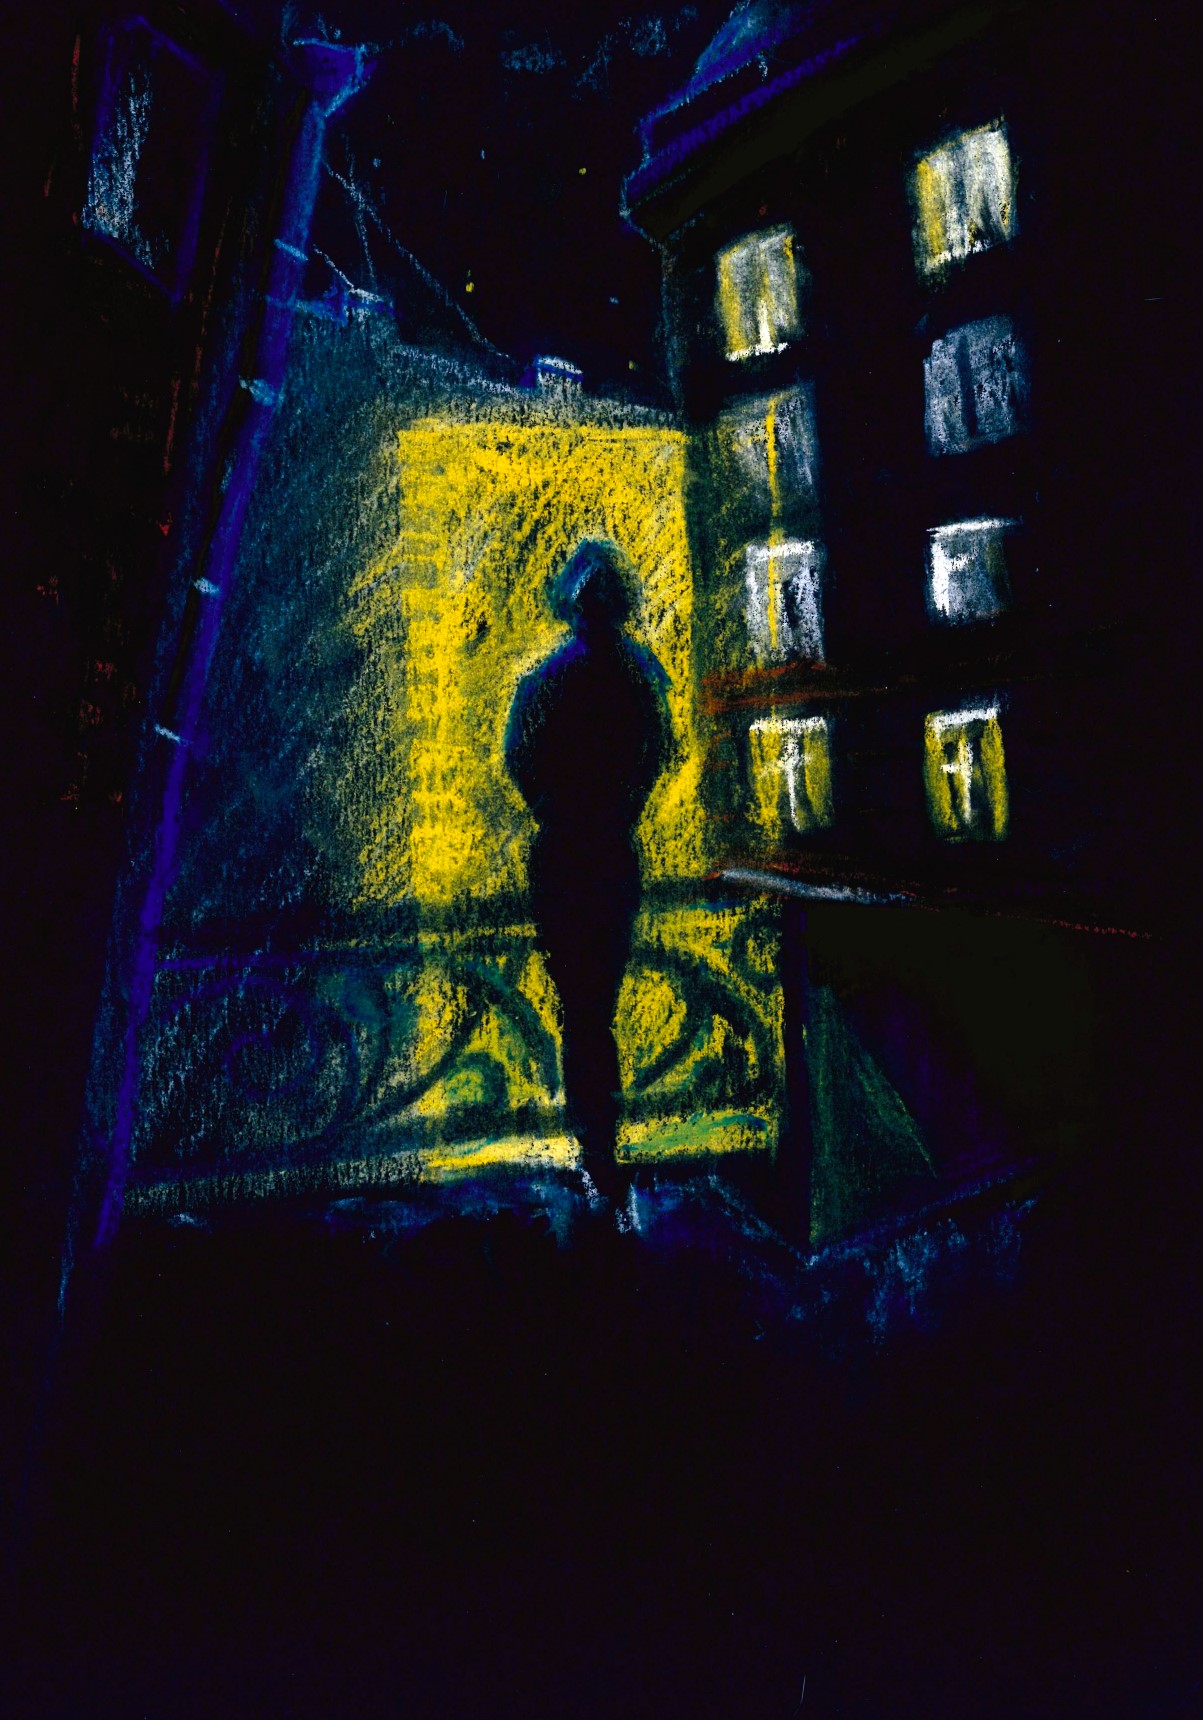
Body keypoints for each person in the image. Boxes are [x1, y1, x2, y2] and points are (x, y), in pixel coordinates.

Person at [505, 540, 672, 1208]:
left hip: (565, 857)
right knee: (594, 1010)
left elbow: (521, 761)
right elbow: (653, 756)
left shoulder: (547, 680)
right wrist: (617, 811)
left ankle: (594, 1150)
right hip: (606, 854)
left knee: (581, 1013)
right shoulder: (640, 674)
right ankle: (602, 1149)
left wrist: (558, 812)